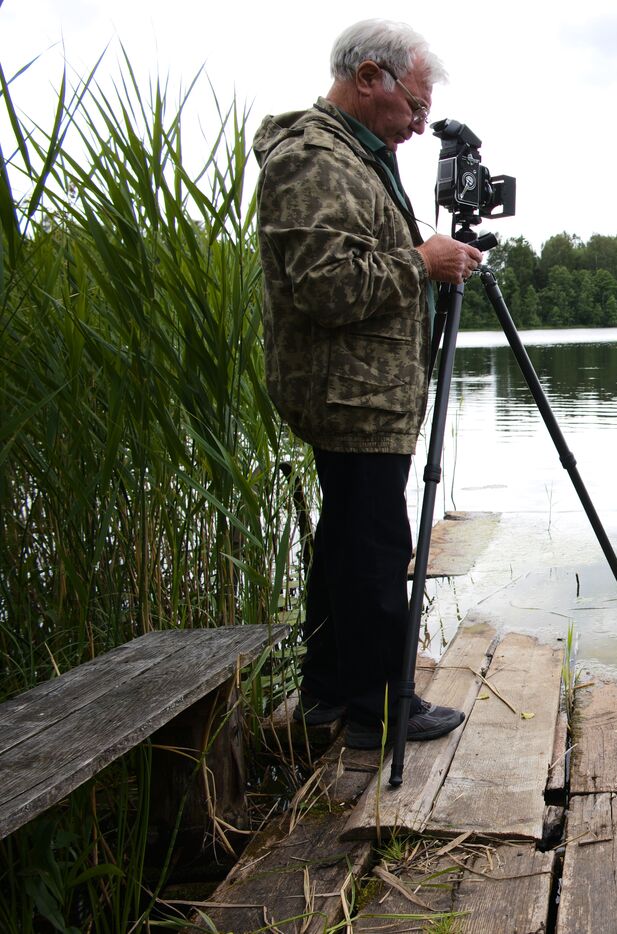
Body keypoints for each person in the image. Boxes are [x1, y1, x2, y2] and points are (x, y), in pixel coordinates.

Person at [253, 19, 482, 749]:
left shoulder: (356, 155)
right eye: (413, 106)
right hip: (348, 392)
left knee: (349, 538)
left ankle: (327, 693)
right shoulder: (314, 161)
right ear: (368, 78)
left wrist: (424, 261)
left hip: (363, 389)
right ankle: (383, 708)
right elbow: (325, 286)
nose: (419, 124)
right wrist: (424, 264)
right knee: (379, 544)